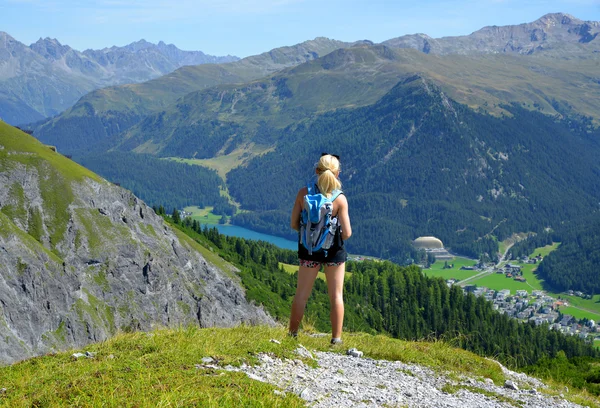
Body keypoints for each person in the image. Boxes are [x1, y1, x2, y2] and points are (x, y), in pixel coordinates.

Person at [289, 153, 352, 345]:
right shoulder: (339, 199)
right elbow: (347, 233)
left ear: (316, 171)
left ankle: (292, 335)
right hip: (334, 253)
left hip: (308, 251)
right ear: (338, 174)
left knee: (301, 295)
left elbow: (293, 224)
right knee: (336, 296)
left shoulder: (303, 194)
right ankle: (336, 339)